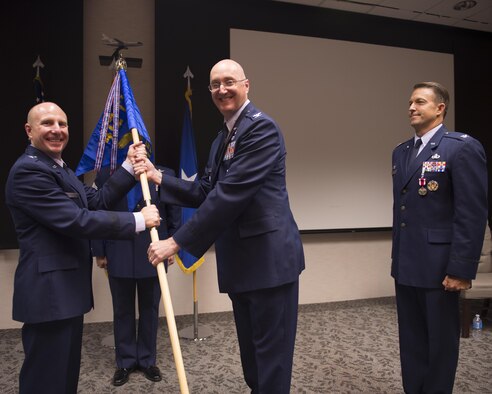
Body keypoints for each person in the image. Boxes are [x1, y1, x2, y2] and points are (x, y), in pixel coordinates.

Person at [138, 59, 305, 393]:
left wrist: (176, 242)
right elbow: (205, 191)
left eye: (229, 81)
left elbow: (230, 196)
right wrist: (159, 177)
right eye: (215, 84)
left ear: (246, 85)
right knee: (253, 359)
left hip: (269, 263)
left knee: (271, 360)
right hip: (243, 263)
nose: (222, 89)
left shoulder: (261, 129)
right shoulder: (222, 138)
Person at [5, 102, 161, 394]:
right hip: (48, 295)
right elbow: (77, 220)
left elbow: (98, 200)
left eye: (62, 124)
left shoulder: (58, 169)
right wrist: (138, 220)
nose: (57, 130)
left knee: (63, 379)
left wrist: (128, 166)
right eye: (47, 123)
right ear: (29, 130)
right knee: (45, 380)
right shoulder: (29, 171)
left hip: (65, 293)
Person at [391, 82, 488, 393]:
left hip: (440, 267)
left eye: (419, 102)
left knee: (440, 342)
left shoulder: (460, 147)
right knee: (412, 340)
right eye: (410, 102)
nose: (411, 107)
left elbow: (471, 213)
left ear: (440, 108)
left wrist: (461, 269)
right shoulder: (401, 151)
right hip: (407, 263)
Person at [92, 165, 181, 386]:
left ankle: (147, 360)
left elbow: (173, 212)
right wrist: (99, 250)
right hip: (118, 249)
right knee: (122, 309)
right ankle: (125, 362)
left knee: (150, 307)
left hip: (154, 249)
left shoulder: (163, 174)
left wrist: (173, 245)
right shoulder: (106, 175)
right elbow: (97, 211)